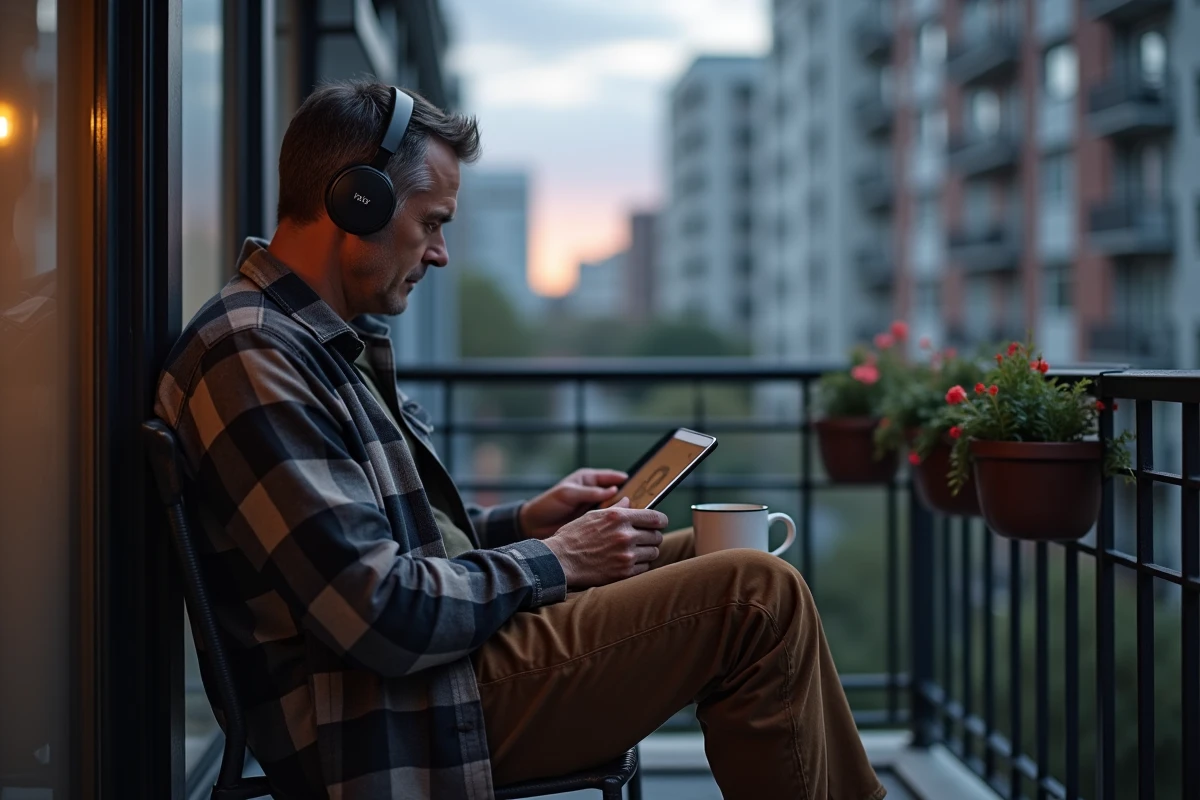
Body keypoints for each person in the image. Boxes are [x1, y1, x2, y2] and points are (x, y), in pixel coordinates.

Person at [154, 79, 885, 800]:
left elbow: (392, 552)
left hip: (436, 675)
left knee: (728, 556)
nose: (439, 253)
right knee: (755, 596)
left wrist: (525, 524)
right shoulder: (254, 357)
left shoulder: (311, 342)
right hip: (390, 717)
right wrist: (555, 560)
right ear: (359, 201)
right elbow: (376, 613)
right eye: (432, 222)